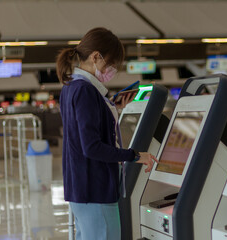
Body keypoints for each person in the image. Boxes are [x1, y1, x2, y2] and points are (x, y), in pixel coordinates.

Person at [57, 27, 158, 240]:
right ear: (96, 56)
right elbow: (92, 146)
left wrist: (111, 106)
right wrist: (135, 156)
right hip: (95, 189)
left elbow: (82, 130)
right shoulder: (85, 91)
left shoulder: (72, 86)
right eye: (110, 65)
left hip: (82, 188)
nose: (111, 71)